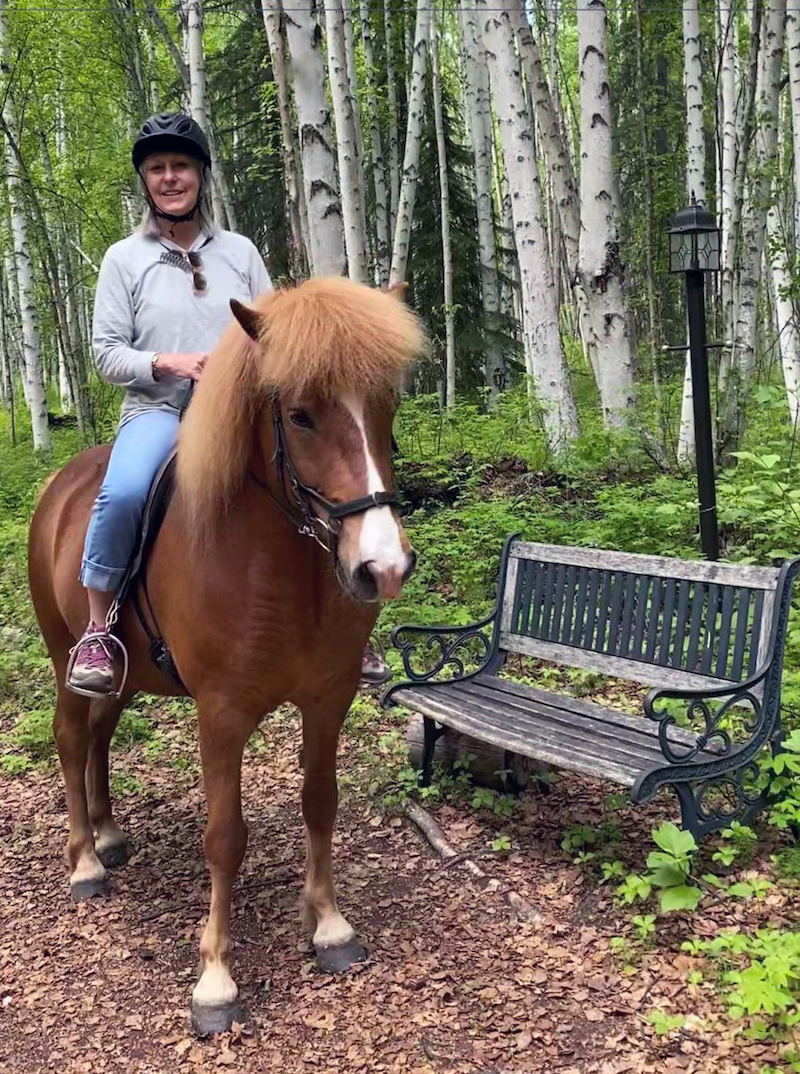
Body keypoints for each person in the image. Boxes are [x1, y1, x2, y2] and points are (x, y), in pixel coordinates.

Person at [69, 111, 391, 696]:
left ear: (200, 177)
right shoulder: (124, 259)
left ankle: (347, 627)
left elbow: (276, 335)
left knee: (312, 485)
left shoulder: (239, 253)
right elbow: (106, 354)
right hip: (159, 413)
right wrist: (166, 361)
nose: (171, 178)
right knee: (123, 492)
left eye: (182, 167)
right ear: (145, 181)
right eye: (158, 169)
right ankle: (99, 629)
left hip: (241, 418)